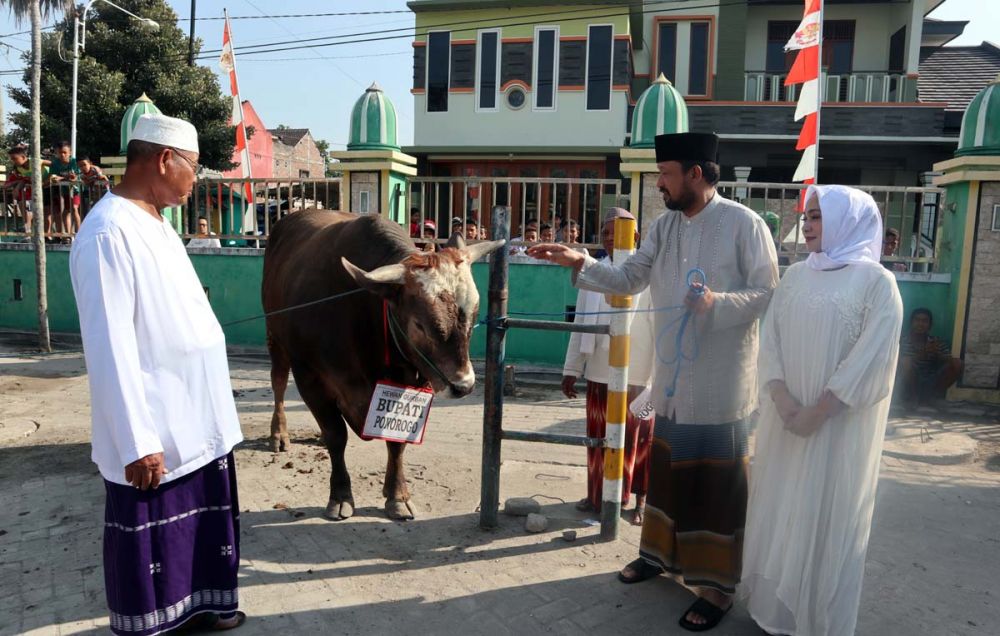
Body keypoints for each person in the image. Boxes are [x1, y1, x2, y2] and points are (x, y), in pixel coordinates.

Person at [529, 132, 778, 631]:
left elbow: (767, 292)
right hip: (671, 380)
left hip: (721, 384)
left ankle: (716, 588)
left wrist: (716, 305)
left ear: (697, 173)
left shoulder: (744, 225)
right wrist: (580, 262)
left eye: (666, 173)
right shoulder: (663, 227)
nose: (659, 183)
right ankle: (659, 556)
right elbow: (628, 280)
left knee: (713, 486)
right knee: (664, 475)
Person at [69, 114, 246, 635]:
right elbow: (110, 347)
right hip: (158, 427)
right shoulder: (108, 232)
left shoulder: (157, 223)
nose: (196, 180)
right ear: (165, 160)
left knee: (205, 530)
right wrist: (136, 440)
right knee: (153, 540)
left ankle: (204, 607)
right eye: (194, 167)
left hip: (200, 416)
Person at [741, 185, 904, 636]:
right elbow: (769, 339)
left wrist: (819, 411)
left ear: (846, 221)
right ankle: (773, 612)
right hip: (784, 420)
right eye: (807, 216)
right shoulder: (794, 276)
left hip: (837, 430)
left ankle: (815, 619)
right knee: (781, 506)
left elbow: (873, 358)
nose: (807, 225)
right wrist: (783, 401)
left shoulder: (877, 284)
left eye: (817, 217)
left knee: (825, 515)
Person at [562, 208, 655, 524]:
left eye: (616, 232)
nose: (609, 238)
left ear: (635, 237)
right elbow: (581, 325)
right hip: (599, 371)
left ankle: (641, 500)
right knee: (598, 436)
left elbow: (663, 330)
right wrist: (571, 370)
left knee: (640, 439)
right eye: (604, 233)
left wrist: (659, 377)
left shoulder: (650, 276)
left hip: (641, 376)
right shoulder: (593, 271)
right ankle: (596, 495)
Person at [895, 308, 963, 407]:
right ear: (911, 322)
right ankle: (912, 398)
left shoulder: (935, 342)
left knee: (958, 363)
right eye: (917, 320)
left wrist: (938, 354)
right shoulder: (902, 341)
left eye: (924, 321)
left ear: (930, 325)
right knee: (906, 362)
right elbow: (897, 363)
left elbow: (951, 362)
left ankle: (932, 398)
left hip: (930, 381)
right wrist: (921, 354)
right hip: (908, 382)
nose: (920, 324)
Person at [48, 140, 83, 237]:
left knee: (74, 209)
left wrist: (62, 178)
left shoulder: (74, 162)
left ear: (70, 152)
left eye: (65, 152)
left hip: (74, 191)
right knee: (65, 212)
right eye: (60, 153)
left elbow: (76, 176)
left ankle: (80, 233)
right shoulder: (55, 164)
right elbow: (53, 177)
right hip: (62, 192)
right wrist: (64, 178)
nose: (62, 155)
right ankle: (68, 234)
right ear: (56, 153)